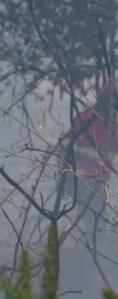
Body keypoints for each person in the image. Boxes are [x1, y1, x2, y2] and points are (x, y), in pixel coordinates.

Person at [56, 82, 116, 225]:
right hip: (86, 178)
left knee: (93, 218)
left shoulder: (86, 116)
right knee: (95, 221)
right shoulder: (103, 122)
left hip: (80, 177)